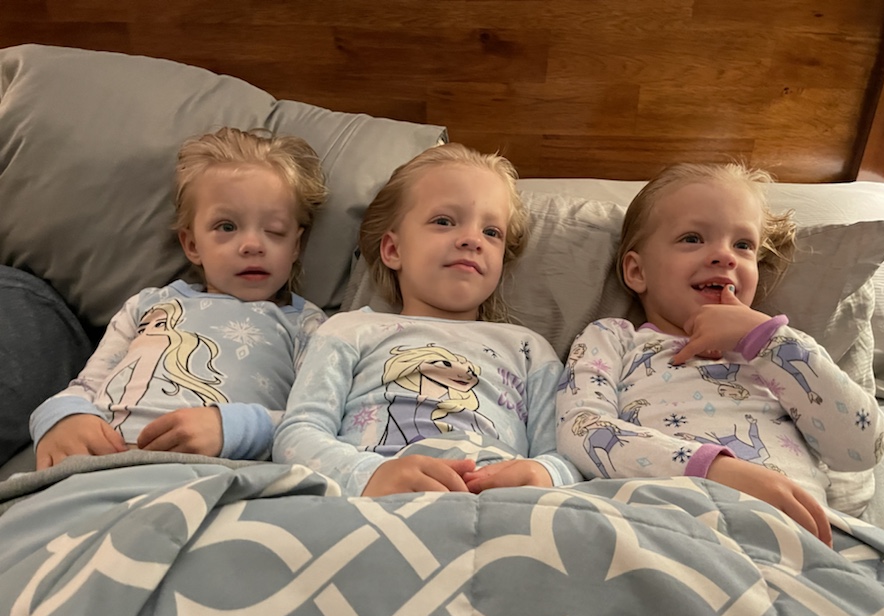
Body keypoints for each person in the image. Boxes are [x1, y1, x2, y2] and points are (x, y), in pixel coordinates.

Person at [556, 162, 884, 547]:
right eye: (692, 238)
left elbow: (862, 449)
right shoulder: (612, 338)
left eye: (743, 245)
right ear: (637, 271)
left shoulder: (784, 351)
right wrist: (712, 469)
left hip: (800, 538)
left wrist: (766, 340)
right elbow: (580, 430)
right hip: (663, 524)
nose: (725, 256)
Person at [272, 143, 582, 496]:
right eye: (444, 221)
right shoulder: (349, 330)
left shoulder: (528, 349)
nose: (472, 240)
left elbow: (569, 456)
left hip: (494, 499)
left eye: (492, 232)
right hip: (379, 496)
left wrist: (543, 474)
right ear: (393, 249)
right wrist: (368, 475)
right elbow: (297, 435)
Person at [30, 127, 329, 469]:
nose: (252, 245)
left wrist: (235, 428)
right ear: (191, 244)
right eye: (227, 227)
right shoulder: (147, 305)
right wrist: (61, 417)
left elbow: (319, 423)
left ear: (295, 246)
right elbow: (87, 385)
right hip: (101, 464)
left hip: (218, 473)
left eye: (274, 231)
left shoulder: (309, 326)